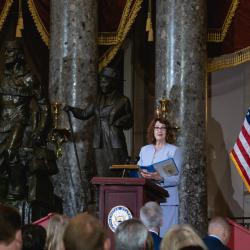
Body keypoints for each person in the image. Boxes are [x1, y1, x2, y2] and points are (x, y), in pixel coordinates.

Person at [0, 39, 50, 200]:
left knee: (10, 152)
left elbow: (44, 106)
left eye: (11, 51)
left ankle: (16, 189)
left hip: (20, 122)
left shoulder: (29, 78)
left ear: (20, 55)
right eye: (6, 51)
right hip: (3, 123)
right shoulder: (4, 78)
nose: (6, 54)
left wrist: (40, 130)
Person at [64, 66, 133, 177]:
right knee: (102, 174)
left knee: (117, 172)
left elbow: (130, 121)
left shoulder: (123, 100)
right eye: (101, 82)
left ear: (113, 83)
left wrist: (121, 121)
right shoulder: (97, 100)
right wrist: (72, 109)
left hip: (115, 141)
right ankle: (101, 193)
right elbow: (84, 114)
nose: (102, 85)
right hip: (99, 141)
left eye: (104, 82)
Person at [137, 117, 183, 236]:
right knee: (149, 237)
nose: (159, 130)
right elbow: (138, 169)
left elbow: (176, 179)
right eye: (157, 127)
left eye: (163, 128)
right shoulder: (144, 150)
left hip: (167, 201)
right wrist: (141, 174)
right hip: (147, 199)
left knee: (166, 237)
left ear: (167, 131)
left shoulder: (174, 151)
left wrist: (160, 177)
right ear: (152, 130)